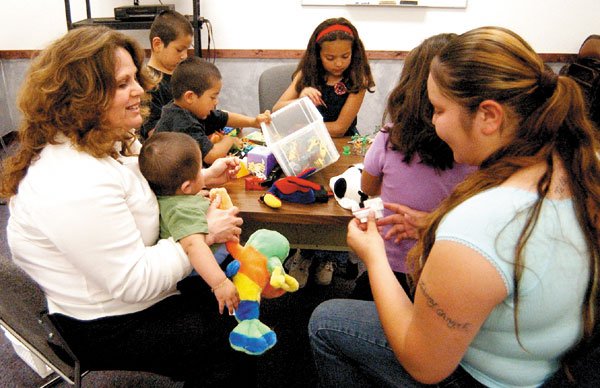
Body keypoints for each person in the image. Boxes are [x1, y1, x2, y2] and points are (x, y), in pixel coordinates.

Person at [309, 26, 600, 387]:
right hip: (547, 365)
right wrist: (432, 224)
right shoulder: (574, 165)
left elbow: (425, 365)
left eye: (439, 109)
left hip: (483, 377)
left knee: (325, 321)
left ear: (489, 116)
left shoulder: (476, 226)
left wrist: (374, 257)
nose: (432, 121)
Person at [0, 26, 255, 386]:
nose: (140, 89)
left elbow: (140, 176)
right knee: (232, 340)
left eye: (134, 78)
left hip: (128, 300)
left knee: (239, 300)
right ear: (83, 97)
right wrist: (205, 232)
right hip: (107, 324)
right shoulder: (70, 180)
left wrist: (200, 177)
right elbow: (133, 281)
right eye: (122, 84)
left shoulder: (104, 140)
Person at [351, 33, 476, 301]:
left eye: (442, 110)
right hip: (442, 272)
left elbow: (368, 187)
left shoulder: (390, 137)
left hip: (404, 271)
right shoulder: (478, 154)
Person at [139, 131, 240, 315]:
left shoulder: (173, 197)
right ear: (186, 187)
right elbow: (194, 246)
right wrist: (220, 283)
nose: (203, 171)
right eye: (200, 168)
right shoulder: (183, 211)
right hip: (204, 277)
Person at [154, 56, 271, 166]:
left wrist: (253, 122)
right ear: (190, 97)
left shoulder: (189, 109)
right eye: (213, 97)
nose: (216, 102)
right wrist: (229, 140)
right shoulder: (183, 121)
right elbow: (211, 155)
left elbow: (223, 117)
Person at [273, 17, 375, 137]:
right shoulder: (306, 74)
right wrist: (301, 101)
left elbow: (339, 129)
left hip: (342, 143)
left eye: (345, 56)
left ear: (354, 52)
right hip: (307, 140)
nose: (339, 64)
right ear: (317, 55)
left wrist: (302, 128)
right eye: (330, 58)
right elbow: (276, 110)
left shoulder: (358, 79)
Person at [141, 10, 193, 140]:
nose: (184, 55)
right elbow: (155, 134)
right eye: (179, 50)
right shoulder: (150, 84)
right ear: (157, 44)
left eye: (187, 49)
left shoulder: (181, 75)